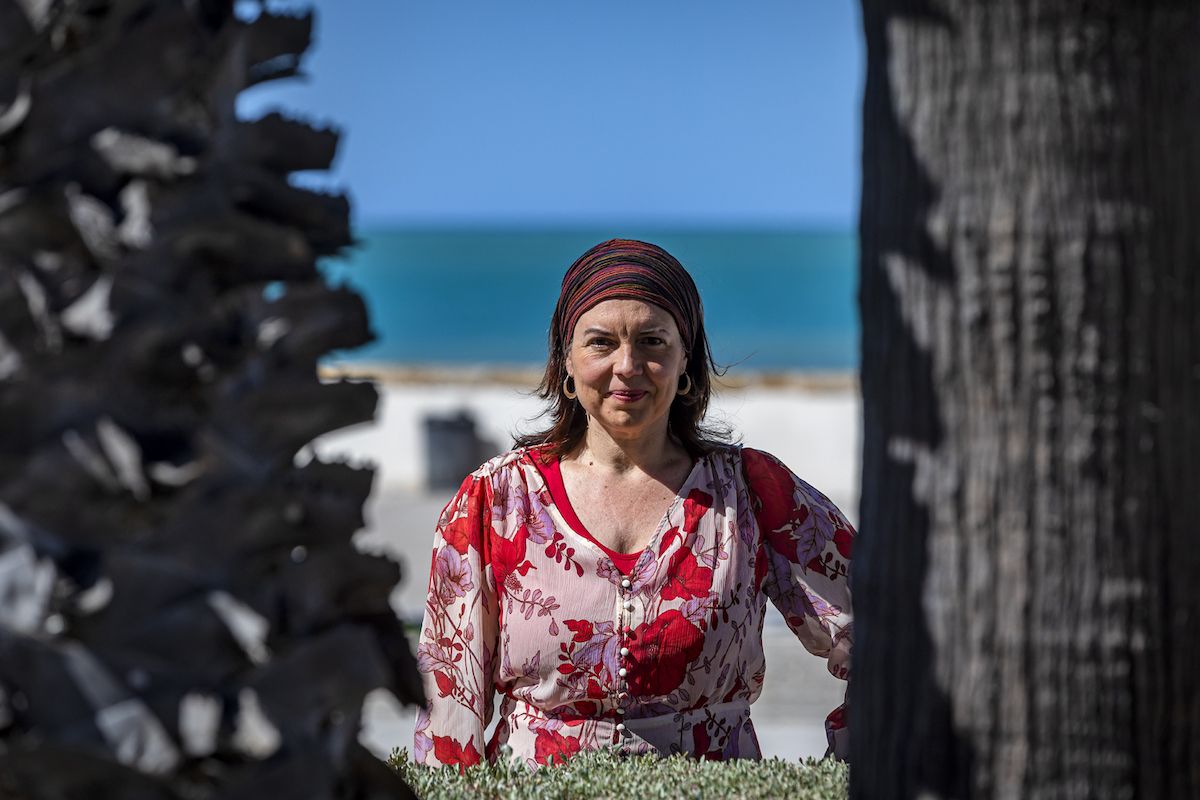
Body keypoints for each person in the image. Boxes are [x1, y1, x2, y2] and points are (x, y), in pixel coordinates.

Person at [413, 239, 853, 769]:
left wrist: (847, 769)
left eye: (652, 341)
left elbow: (888, 629)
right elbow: (448, 708)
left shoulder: (752, 493)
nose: (627, 365)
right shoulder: (495, 501)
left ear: (685, 360)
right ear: (566, 361)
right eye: (601, 342)